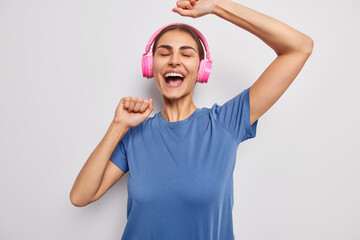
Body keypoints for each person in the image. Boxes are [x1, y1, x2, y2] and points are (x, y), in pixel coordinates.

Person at [70, 0, 313, 239]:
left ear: (201, 69)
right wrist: (118, 125)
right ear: (150, 66)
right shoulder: (134, 135)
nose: (174, 60)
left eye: (186, 54)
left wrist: (217, 6)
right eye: (164, 53)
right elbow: (80, 197)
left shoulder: (226, 123)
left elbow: (299, 47)